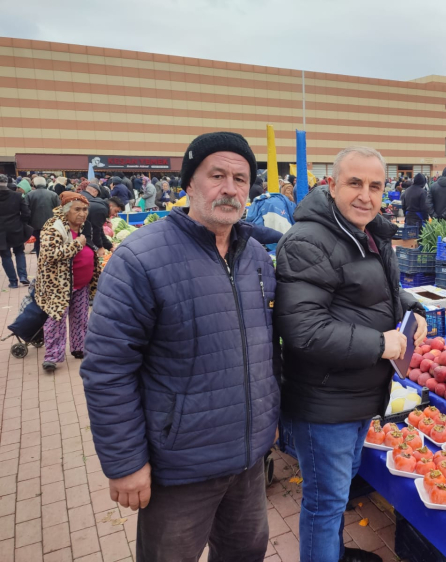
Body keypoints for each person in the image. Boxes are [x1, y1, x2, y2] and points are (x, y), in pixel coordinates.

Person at [80, 132, 279, 562]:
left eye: (241, 179)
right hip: (179, 468)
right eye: (217, 175)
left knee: (246, 553)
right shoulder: (140, 260)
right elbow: (108, 369)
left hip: (247, 463)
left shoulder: (257, 258)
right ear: (189, 183)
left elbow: (266, 350)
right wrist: (125, 463)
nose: (230, 188)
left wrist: (269, 415)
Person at [274, 146, 427, 562]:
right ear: (333, 185)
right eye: (355, 183)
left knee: (336, 495)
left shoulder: (370, 232)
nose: (365, 195)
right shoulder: (307, 240)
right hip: (325, 403)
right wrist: (381, 344)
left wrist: (411, 307)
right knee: (324, 506)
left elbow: (381, 289)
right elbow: (303, 330)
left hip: (357, 394)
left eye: (375, 186)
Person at [36, 192, 100, 372]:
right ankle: (52, 357)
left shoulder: (83, 226)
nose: (82, 213)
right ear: (65, 211)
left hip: (81, 284)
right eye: (77, 209)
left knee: (80, 319)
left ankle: (79, 348)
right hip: (58, 285)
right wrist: (77, 244)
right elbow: (51, 254)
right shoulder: (53, 227)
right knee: (56, 320)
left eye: (85, 209)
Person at [0, 174, 31, 288]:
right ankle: (23, 276)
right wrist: (22, 223)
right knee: (19, 252)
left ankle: (13, 281)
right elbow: (26, 213)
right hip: (16, 228)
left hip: (1, 231)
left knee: (5, 255)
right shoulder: (17, 196)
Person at [27, 176, 60, 255]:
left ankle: (40, 259)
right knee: (51, 243)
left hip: (35, 223)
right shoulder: (53, 194)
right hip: (52, 223)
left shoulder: (29, 195)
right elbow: (59, 209)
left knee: (38, 244)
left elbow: (26, 210)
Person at [81, 182, 113, 256]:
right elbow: (96, 229)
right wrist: (99, 246)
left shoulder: (80, 195)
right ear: (95, 191)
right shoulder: (91, 201)